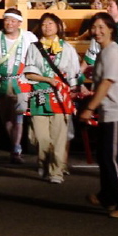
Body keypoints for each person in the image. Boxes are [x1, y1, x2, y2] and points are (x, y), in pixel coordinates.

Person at [80, 12, 118, 219]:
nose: (97, 31)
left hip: (117, 113)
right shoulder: (103, 53)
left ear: (111, 29)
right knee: (105, 158)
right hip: (108, 113)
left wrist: (89, 108)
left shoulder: (112, 51)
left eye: (102, 27)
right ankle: (107, 196)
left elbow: (106, 83)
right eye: (94, 27)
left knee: (112, 160)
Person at [24, 12, 80, 184]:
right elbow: (30, 73)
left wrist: (73, 91)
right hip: (40, 95)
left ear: (58, 26)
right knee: (41, 138)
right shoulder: (34, 47)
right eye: (43, 24)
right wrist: (48, 79)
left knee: (59, 138)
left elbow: (73, 74)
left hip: (61, 97)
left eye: (50, 23)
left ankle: (56, 172)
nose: (47, 27)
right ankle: (43, 161)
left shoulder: (68, 48)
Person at [0, 8, 38, 164]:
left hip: (21, 82)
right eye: (6, 20)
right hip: (1, 82)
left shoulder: (29, 37)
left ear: (19, 22)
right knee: (6, 118)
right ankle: (14, 144)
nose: (9, 23)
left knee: (18, 116)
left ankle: (16, 148)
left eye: (13, 20)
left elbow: (37, 57)